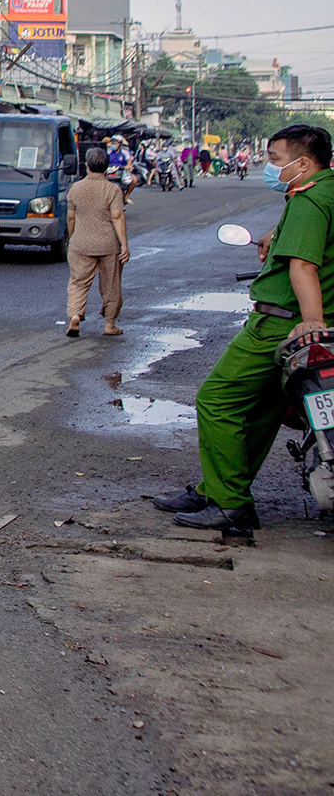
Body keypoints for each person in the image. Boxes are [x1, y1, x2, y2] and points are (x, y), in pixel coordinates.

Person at [154, 124, 334, 536]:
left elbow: (303, 265)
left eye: (275, 160)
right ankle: (214, 489)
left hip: (281, 324)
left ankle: (230, 505)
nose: (270, 168)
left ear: (302, 163)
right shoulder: (323, 190)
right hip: (292, 324)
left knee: (217, 401)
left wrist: (311, 323)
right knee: (261, 412)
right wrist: (277, 233)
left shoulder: (309, 200)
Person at [63, 147, 128, 339]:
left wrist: (73, 237)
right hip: (108, 244)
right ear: (106, 167)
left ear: (87, 165)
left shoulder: (76, 188)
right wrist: (124, 245)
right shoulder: (112, 189)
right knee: (111, 284)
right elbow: (117, 217)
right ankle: (110, 324)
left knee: (78, 282)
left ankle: (75, 315)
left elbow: (71, 218)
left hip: (81, 242)